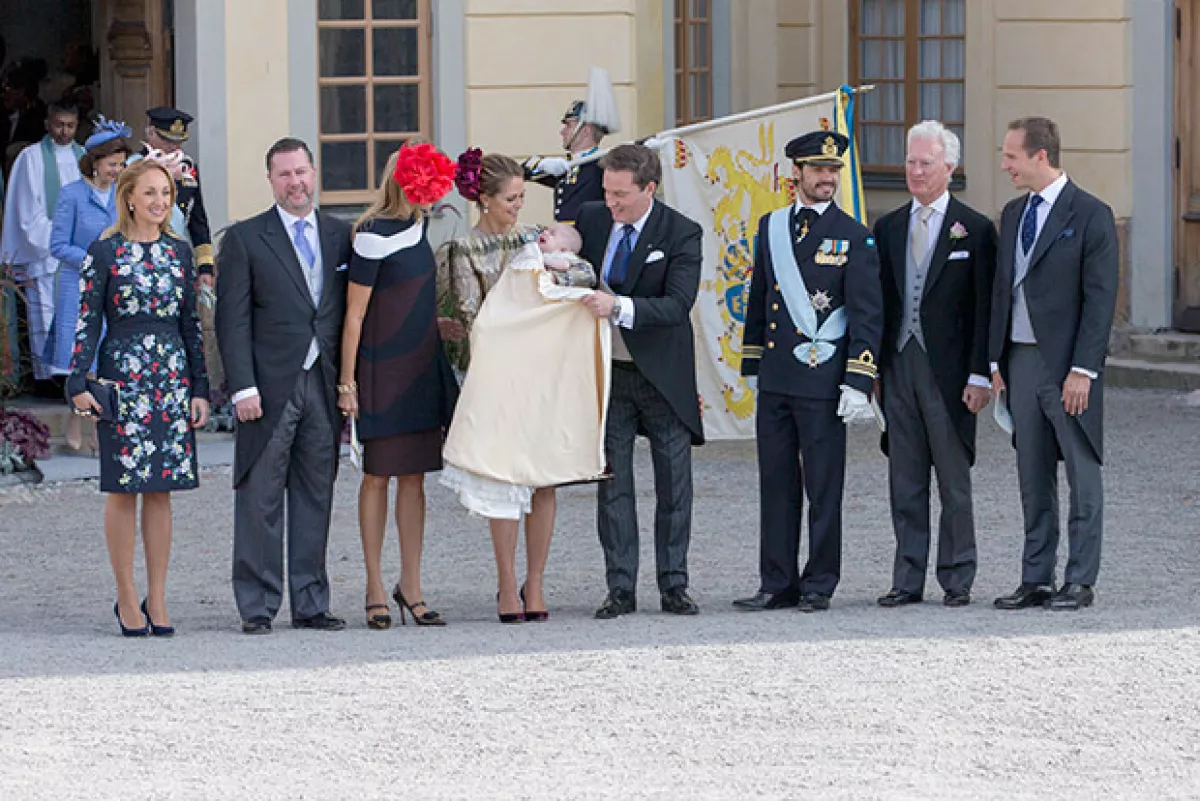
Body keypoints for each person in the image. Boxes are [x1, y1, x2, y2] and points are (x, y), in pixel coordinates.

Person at [732, 131, 883, 614]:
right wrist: (753, 362)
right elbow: (759, 299)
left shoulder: (855, 235)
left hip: (823, 383)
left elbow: (866, 315)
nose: (827, 178)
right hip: (777, 377)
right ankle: (776, 582)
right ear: (795, 173)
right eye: (818, 170)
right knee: (775, 484)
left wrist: (859, 380)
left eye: (833, 170)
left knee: (822, 487)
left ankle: (819, 582)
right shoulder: (771, 227)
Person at [437, 151, 585, 623]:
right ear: (483, 199)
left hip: (542, 371)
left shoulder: (535, 239)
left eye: (523, 196)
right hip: (496, 374)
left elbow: (578, 277)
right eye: (510, 198)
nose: (519, 206)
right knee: (503, 480)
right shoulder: (463, 250)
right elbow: (470, 315)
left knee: (542, 479)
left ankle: (535, 582)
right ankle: (506, 584)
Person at [67, 158, 210, 637]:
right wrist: (77, 382)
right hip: (122, 378)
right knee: (123, 487)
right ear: (129, 196)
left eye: (166, 194)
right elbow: (87, 322)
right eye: (149, 193)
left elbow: (191, 325)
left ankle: (160, 596)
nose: (159, 202)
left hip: (170, 378)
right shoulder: (104, 252)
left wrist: (201, 389)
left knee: (160, 488)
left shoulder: (179, 251)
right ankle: (127, 594)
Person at [216, 137, 352, 635]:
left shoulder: (341, 236)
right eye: (284, 175)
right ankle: (257, 605)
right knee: (260, 496)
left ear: (314, 173)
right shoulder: (248, 238)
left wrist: (351, 382)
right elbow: (230, 321)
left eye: (302, 172)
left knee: (317, 493)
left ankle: (311, 602)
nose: (295, 182)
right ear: (271, 181)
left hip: (323, 381)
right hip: (268, 387)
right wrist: (242, 387)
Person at [989, 116, 1118, 611]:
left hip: (1067, 366)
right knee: (1032, 473)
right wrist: (993, 360)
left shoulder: (1090, 214)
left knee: (1082, 475)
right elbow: (1003, 291)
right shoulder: (1012, 213)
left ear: (1041, 156)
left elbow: (1100, 300)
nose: (1005, 166)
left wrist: (1084, 370)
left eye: (1012, 157)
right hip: (1019, 362)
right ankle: (1035, 578)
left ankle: (1080, 580)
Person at [576, 143, 704, 619]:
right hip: (609, 374)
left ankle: (674, 585)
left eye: (621, 196)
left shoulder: (681, 232)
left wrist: (619, 308)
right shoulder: (592, 218)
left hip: (662, 376)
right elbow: (569, 252)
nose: (612, 204)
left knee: (674, 484)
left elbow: (677, 304)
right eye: (607, 192)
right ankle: (620, 587)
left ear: (649, 188)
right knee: (613, 484)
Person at [873, 121, 997, 609]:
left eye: (926, 163)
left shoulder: (977, 228)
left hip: (950, 373)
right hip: (898, 365)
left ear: (950, 166)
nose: (916, 171)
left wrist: (980, 373)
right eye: (910, 161)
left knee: (953, 481)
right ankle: (907, 578)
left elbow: (986, 308)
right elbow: (880, 302)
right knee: (904, 479)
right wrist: (874, 371)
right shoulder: (887, 228)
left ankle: (957, 576)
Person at [338, 143, 459, 630]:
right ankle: (373, 585)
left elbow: (407, 296)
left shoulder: (422, 226)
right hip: (380, 371)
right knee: (376, 477)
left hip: (421, 367)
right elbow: (355, 314)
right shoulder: (370, 233)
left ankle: (411, 585)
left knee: (415, 478)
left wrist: (437, 324)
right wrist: (347, 383)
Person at [49, 116, 131, 453]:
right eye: (112, 164)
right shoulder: (72, 195)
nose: (117, 170)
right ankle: (76, 418)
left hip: (111, 286)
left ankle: (97, 426)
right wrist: (91, 260)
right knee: (79, 357)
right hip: (76, 286)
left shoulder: (122, 196)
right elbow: (57, 245)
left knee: (104, 357)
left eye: (121, 165)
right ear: (94, 163)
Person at [0, 99, 83, 392]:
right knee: (45, 314)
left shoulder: (84, 158)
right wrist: (58, 242)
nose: (64, 132)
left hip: (76, 258)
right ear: (47, 124)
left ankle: (72, 378)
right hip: (46, 255)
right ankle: (48, 380)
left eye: (70, 126)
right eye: (59, 125)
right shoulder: (31, 158)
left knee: (75, 320)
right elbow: (28, 210)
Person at [523, 67, 620, 225]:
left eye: (569, 125)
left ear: (585, 131)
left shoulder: (601, 165)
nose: (563, 132)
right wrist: (542, 163)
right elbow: (522, 172)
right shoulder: (568, 166)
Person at [142, 107, 214, 281]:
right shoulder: (135, 167)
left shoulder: (187, 168)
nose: (174, 147)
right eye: (167, 140)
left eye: (178, 141)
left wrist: (205, 266)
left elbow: (198, 219)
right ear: (151, 134)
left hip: (178, 258)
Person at [1, 65, 48, 178]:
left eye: (9, 87)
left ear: (22, 92)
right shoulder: (3, 111)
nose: (3, 94)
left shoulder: (38, 117)